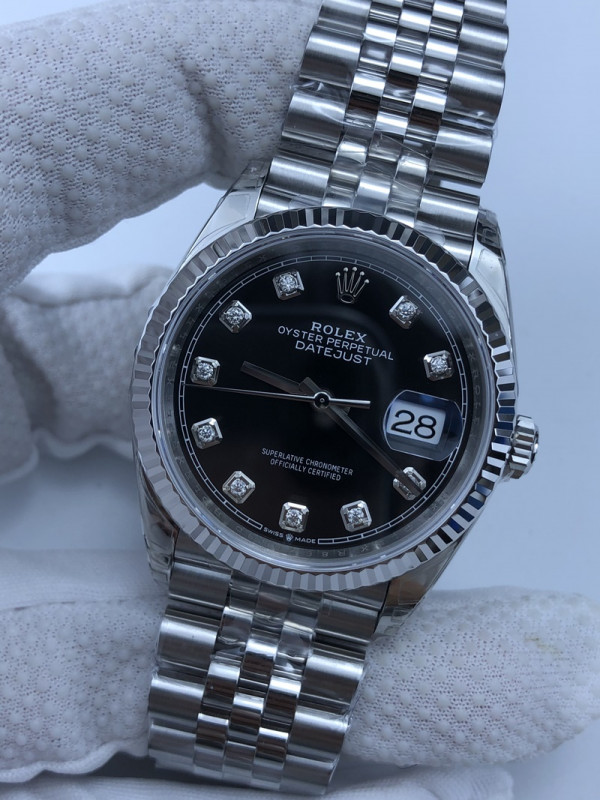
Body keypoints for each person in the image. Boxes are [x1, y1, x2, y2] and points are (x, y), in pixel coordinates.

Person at [0, 2, 598, 799]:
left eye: (330, 395)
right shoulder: (251, 243)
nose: (320, 396)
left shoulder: (456, 291)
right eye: (314, 391)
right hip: (241, 517)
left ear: (504, 446)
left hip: (306, 528)